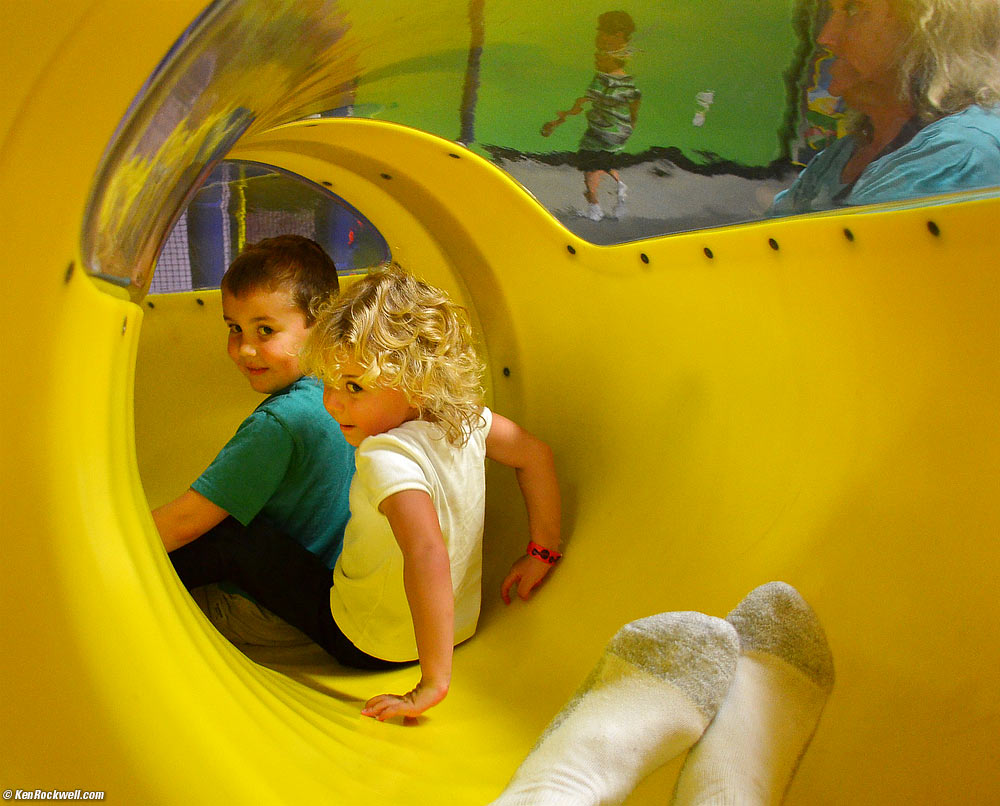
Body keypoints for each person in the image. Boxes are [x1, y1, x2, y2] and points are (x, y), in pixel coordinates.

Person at [166, 265, 563, 721]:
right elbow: (536, 455)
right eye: (329, 383)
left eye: (354, 387)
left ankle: (146, 585)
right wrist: (542, 552)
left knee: (236, 538)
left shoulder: (387, 456)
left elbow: (426, 552)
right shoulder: (470, 420)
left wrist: (433, 683)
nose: (332, 402)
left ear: (416, 380)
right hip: (455, 630)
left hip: (366, 641)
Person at [154, 235, 355, 625]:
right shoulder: (345, 396)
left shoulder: (279, 424)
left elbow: (180, 526)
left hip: (262, 614)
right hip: (323, 594)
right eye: (234, 328)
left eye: (265, 331)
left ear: (321, 325)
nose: (245, 349)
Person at [771, 0, 1000, 215]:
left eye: (853, 10)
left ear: (925, 34)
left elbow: (843, 249)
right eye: (831, 12)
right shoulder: (843, 155)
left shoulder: (961, 152)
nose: (826, 37)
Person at [542, 11, 642, 221]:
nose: (596, 57)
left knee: (590, 167)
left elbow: (582, 102)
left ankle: (594, 206)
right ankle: (618, 184)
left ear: (616, 34)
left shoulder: (601, 79)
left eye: (602, 33)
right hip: (618, 132)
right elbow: (635, 101)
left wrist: (559, 119)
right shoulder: (627, 80)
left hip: (600, 132)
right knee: (605, 161)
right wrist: (631, 124)